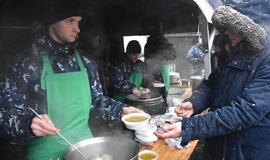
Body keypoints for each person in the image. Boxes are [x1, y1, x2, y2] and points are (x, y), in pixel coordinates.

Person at [0, 1, 142, 160]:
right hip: (45, 153)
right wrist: (28, 122)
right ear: (52, 23)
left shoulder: (87, 63)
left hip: (86, 149)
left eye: (78, 22)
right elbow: (4, 116)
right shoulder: (26, 65)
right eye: (70, 21)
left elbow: (95, 102)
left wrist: (120, 110)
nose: (77, 28)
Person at [155, 5, 270, 160]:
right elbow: (213, 84)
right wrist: (195, 103)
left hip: (246, 149)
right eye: (226, 27)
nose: (227, 32)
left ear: (249, 27)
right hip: (218, 142)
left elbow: (245, 111)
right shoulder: (232, 51)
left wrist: (190, 127)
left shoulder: (266, 60)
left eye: (232, 27)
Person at [143, 34, 176, 108]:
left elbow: (173, 55)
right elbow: (147, 61)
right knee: (152, 95)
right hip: (153, 72)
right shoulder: (149, 46)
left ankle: (162, 107)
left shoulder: (163, 43)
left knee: (162, 96)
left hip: (162, 72)